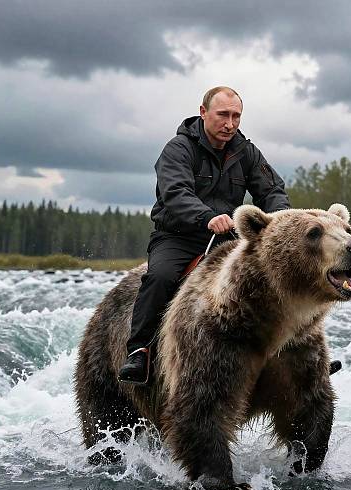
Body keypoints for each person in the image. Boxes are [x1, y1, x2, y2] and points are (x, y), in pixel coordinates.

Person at [118, 86, 291, 384]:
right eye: (223, 115)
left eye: (236, 116)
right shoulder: (178, 148)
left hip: (229, 238)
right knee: (160, 278)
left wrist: (280, 221)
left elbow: (272, 190)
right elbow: (175, 193)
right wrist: (207, 217)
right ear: (203, 112)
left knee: (274, 276)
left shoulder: (245, 151)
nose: (230, 123)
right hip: (177, 236)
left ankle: (294, 355)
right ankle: (139, 352)